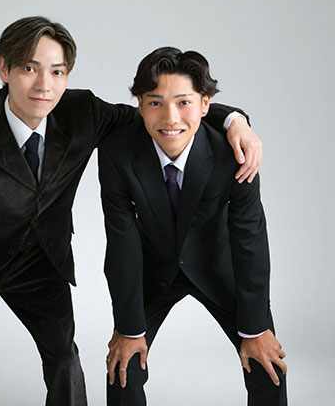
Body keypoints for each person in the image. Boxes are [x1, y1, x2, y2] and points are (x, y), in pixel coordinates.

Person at [0, 17, 263, 406]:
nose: (44, 85)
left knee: (64, 360)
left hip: (40, 260)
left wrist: (234, 119)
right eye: (29, 69)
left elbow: (159, 114)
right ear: (4, 69)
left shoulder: (82, 112)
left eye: (57, 72)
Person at [99, 46, 287, 405]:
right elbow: (121, 240)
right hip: (153, 269)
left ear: (204, 104)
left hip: (219, 267)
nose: (170, 118)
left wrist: (255, 328)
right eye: (155, 103)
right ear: (140, 105)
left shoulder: (235, 152)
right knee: (123, 368)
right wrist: (128, 328)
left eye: (183, 102)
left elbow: (249, 237)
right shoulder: (117, 152)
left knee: (267, 364)